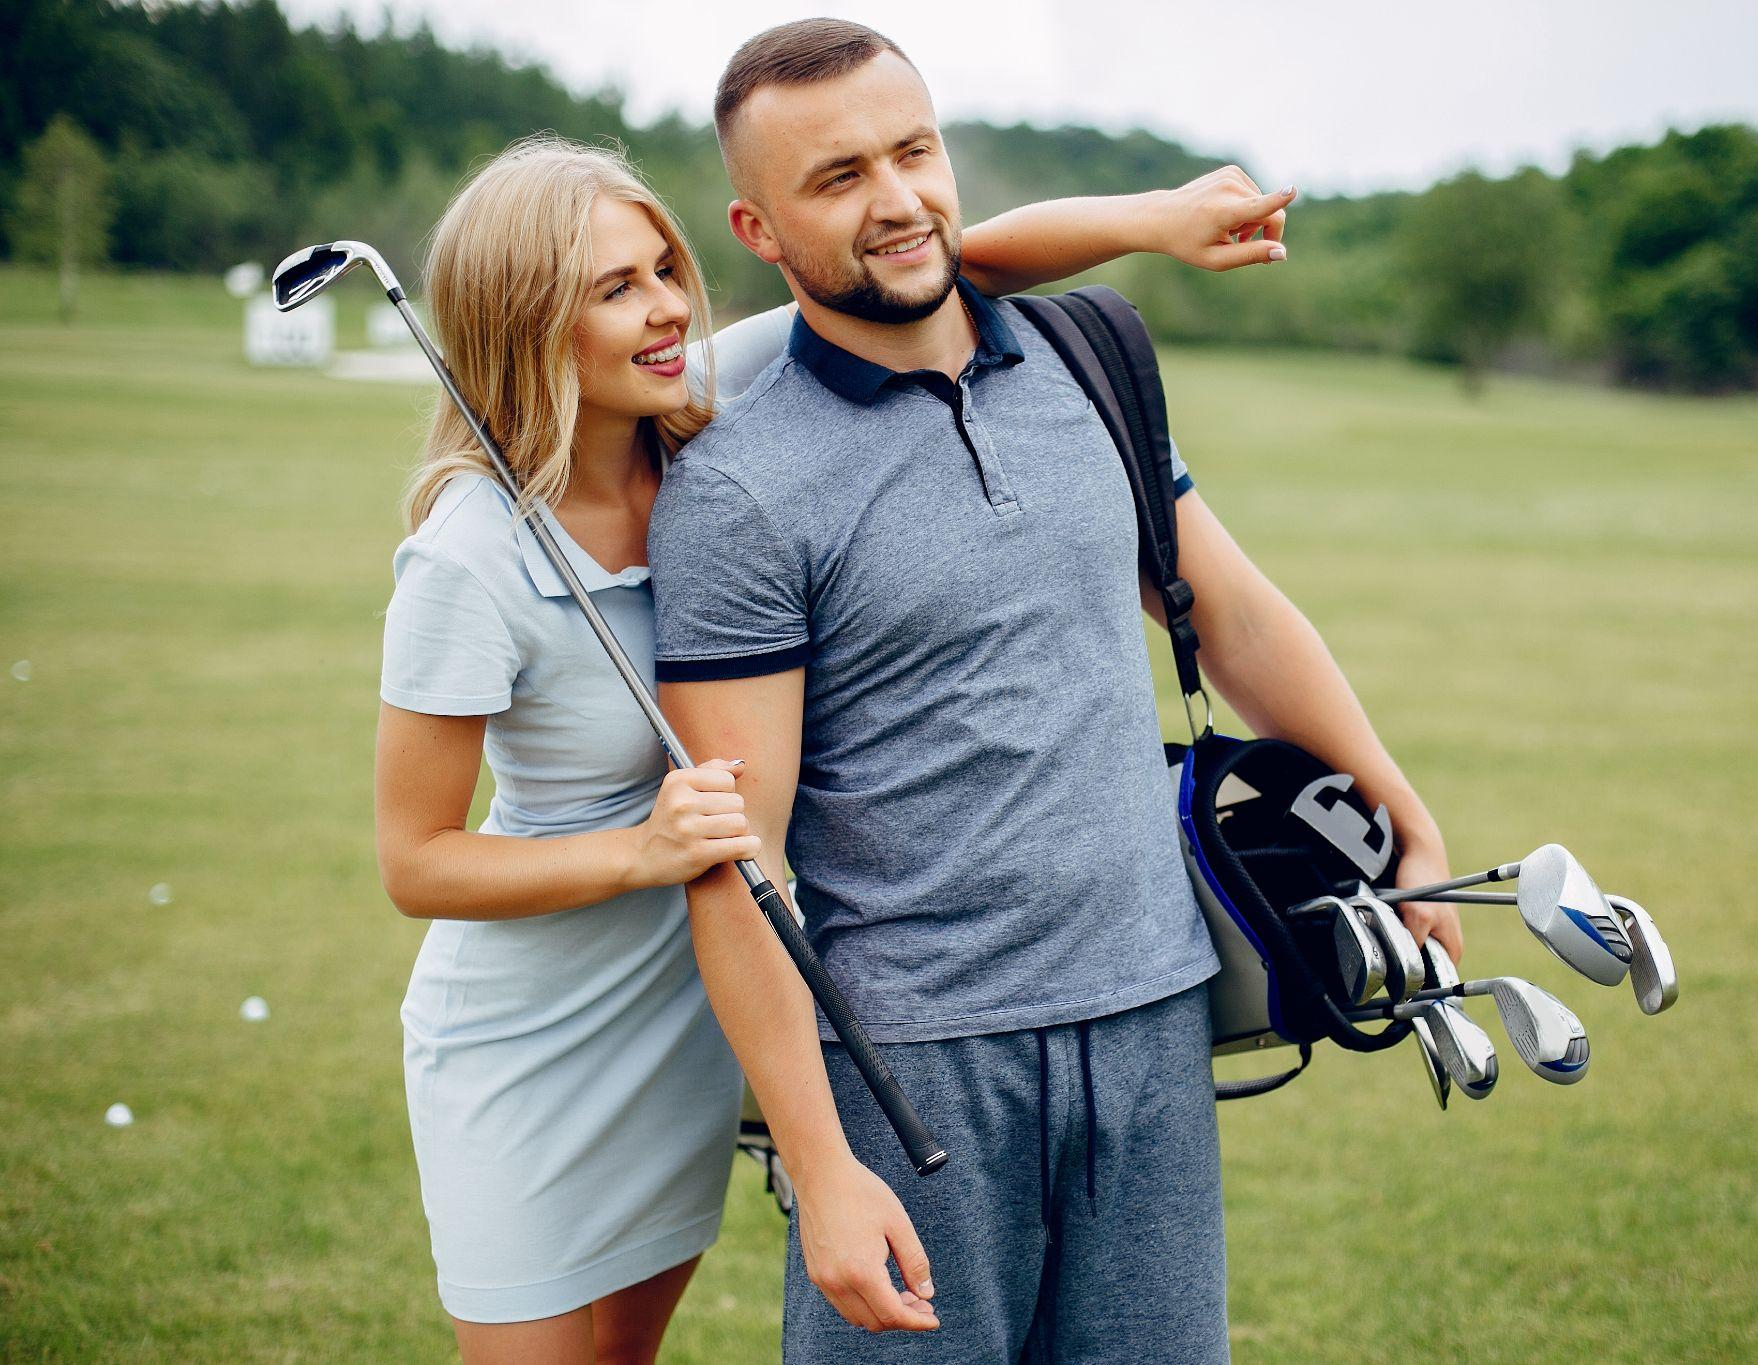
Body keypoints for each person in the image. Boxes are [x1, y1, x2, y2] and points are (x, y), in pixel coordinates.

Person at [372, 134, 1300, 1365]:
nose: (662, 309)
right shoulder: (467, 555)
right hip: (528, 1036)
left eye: (663, 268)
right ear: (526, 321)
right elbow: (415, 863)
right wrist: (638, 852)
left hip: (690, 1011)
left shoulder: (698, 410)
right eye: (612, 288)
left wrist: (1155, 217)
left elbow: (955, 261)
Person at [649, 19, 1462, 1362]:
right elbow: (741, 860)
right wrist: (823, 1158)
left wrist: (1405, 817)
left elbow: (1243, 620)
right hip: (910, 1072)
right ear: (761, 227)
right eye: (838, 177)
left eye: (913, 151)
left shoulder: (1089, 366)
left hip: (1153, 1016)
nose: (898, 199)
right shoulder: (738, 483)